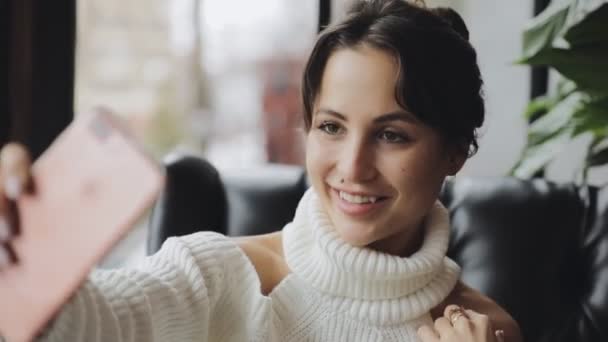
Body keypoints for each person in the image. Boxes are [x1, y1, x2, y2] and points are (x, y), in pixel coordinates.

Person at [0, 0, 523, 341]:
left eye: (392, 135)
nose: (353, 167)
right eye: (332, 128)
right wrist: (23, 271)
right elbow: (88, 326)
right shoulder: (220, 275)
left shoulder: (485, 330)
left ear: (455, 151)